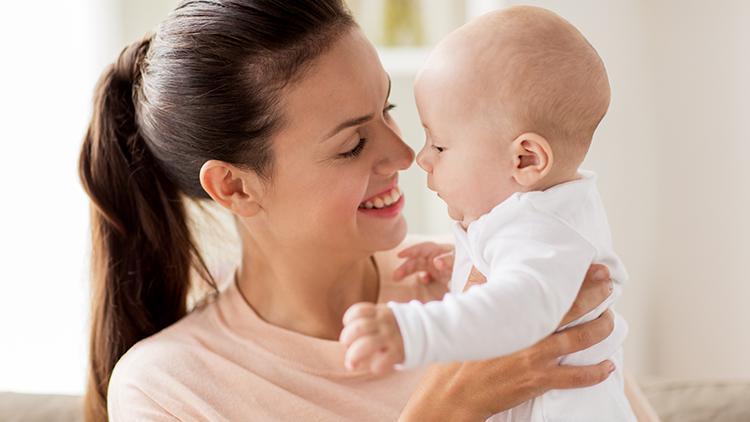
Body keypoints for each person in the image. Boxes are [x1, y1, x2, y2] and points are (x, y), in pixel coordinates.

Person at [77, 1, 653, 420]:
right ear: (235, 187)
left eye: (389, 107)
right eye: (352, 144)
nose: (405, 155)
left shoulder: (487, 279)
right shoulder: (170, 389)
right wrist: (445, 410)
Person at [340, 6, 634, 421]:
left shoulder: (544, 231)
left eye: (439, 145)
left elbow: (515, 310)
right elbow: (515, 291)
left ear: (526, 159)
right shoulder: (541, 218)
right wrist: (464, 268)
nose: (420, 158)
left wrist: (412, 330)